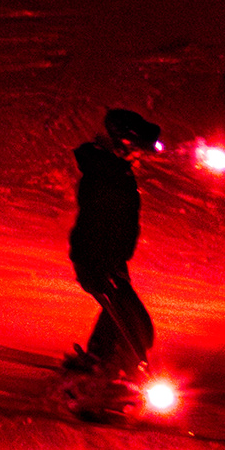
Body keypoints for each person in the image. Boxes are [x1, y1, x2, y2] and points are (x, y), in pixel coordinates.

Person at [59, 107, 161, 378]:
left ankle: (100, 360)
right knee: (132, 324)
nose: (139, 156)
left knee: (128, 319)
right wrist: (101, 263)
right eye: (136, 149)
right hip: (97, 261)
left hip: (109, 262)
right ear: (122, 144)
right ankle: (118, 369)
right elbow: (97, 222)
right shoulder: (105, 173)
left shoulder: (113, 170)